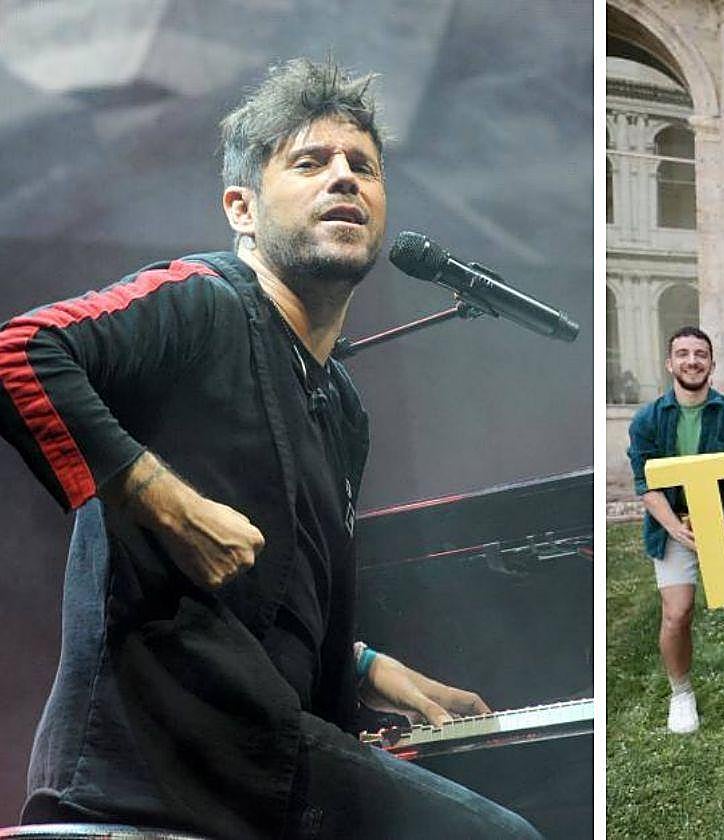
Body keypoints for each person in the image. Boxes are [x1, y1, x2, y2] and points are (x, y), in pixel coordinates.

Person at [0, 58, 539, 839]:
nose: (344, 180)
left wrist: (359, 667)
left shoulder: (340, 405)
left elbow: (266, 594)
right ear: (242, 207)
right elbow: (19, 351)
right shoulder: (198, 298)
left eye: (363, 167)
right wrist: (169, 502)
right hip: (158, 766)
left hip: (260, 762)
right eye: (310, 162)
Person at [626, 326, 724, 734]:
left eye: (700, 354)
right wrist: (675, 528)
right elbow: (645, 485)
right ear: (670, 363)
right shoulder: (647, 419)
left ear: (711, 364)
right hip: (673, 525)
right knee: (677, 613)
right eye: (683, 354)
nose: (692, 360)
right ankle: (681, 692)